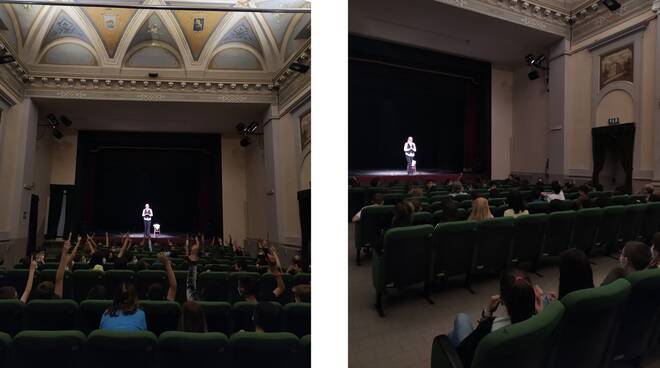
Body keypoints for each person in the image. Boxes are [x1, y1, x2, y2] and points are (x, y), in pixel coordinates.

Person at [447, 269, 540, 367]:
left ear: (502, 300)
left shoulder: (490, 327)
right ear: (531, 295)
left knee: (461, 319)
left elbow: (464, 353)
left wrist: (488, 312)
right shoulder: (543, 322)